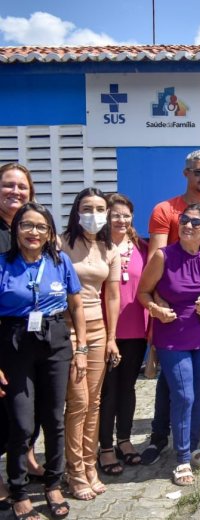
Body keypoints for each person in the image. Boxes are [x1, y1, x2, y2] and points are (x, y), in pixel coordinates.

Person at [142, 150, 200, 465]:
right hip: (173, 320)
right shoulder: (165, 210)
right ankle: (160, 437)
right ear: (186, 173)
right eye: (198, 171)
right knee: (172, 387)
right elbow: (153, 274)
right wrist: (158, 306)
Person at [0, 202, 86, 519]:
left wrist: (81, 349)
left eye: (40, 226)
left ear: (49, 232)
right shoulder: (2, 264)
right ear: (16, 229)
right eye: (27, 225)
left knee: (55, 419)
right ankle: (19, 491)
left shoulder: (60, 261)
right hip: (14, 343)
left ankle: (52, 484)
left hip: (56, 340)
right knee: (21, 424)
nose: (33, 232)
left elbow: (76, 307)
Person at [138, 204, 200, 486]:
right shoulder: (164, 256)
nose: (188, 225)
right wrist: (155, 308)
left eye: (195, 222)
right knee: (184, 395)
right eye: (184, 220)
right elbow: (143, 292)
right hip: (172, 338)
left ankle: (193, 445)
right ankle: (182, 459)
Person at [60, 188, 121, 500]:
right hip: (67, 331)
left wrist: (112, 337)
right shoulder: (59, 244)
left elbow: (112, 294)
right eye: (88, 207)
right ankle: (74, 471)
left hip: (98, 331)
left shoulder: (108, 247)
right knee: (79, 403)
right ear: (76, 210)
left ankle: (89, 465)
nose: (94, 214)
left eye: (100, 208)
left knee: (94, 403)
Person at [0, 162, 45, 506]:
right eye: (8, 185)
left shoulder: (30, 230)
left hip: (31, 339)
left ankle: (27, 459)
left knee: (28, 409)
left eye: (22, 187)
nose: (16, 191)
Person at [97, 194, 149, 476]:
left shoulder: (143, 246)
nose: (121, 220)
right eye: (115, 214)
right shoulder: (96, 248)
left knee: (128, 387)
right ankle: (105, 447)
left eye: (126, 215)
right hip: (105, 330)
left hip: (136, 330)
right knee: (107, 391)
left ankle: (124, 440)